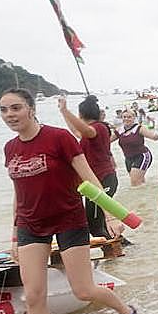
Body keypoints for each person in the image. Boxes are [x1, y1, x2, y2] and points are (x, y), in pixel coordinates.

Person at [0, 88, 136, 314]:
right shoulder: (10, 148)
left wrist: (109, 214)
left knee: (83, 290)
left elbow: (90, 178)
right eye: (4, 110)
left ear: (31, 109)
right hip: (31, 225)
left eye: (15, 108)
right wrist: (15, 234)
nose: (9, 115)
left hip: (68, 219)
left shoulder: (59, 138)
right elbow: (19, 192)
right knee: (33, 295)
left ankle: (124, 309)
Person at [58, 95, 118, 239]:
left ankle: (121, 251)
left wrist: (66, 111)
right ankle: (124, 250)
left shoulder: (100, 127)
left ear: (81, 114)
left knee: (95, 226)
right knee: (99, 224)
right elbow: (77, 132)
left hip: (103, 180)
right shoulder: (89, 132)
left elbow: (86, 131)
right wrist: (63, 112)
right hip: (96, 182)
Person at [115, 107, 158, 187]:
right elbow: (106, 141)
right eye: (124, 117)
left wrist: (155, 135)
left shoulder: (139, 128)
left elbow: (154, 136)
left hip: (142, 156)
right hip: (128, 158)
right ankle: (147, 196)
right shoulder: (119, 130)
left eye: (129, 117)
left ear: (134, 118)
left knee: (135, 182)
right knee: (139, 182)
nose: (126, 119)